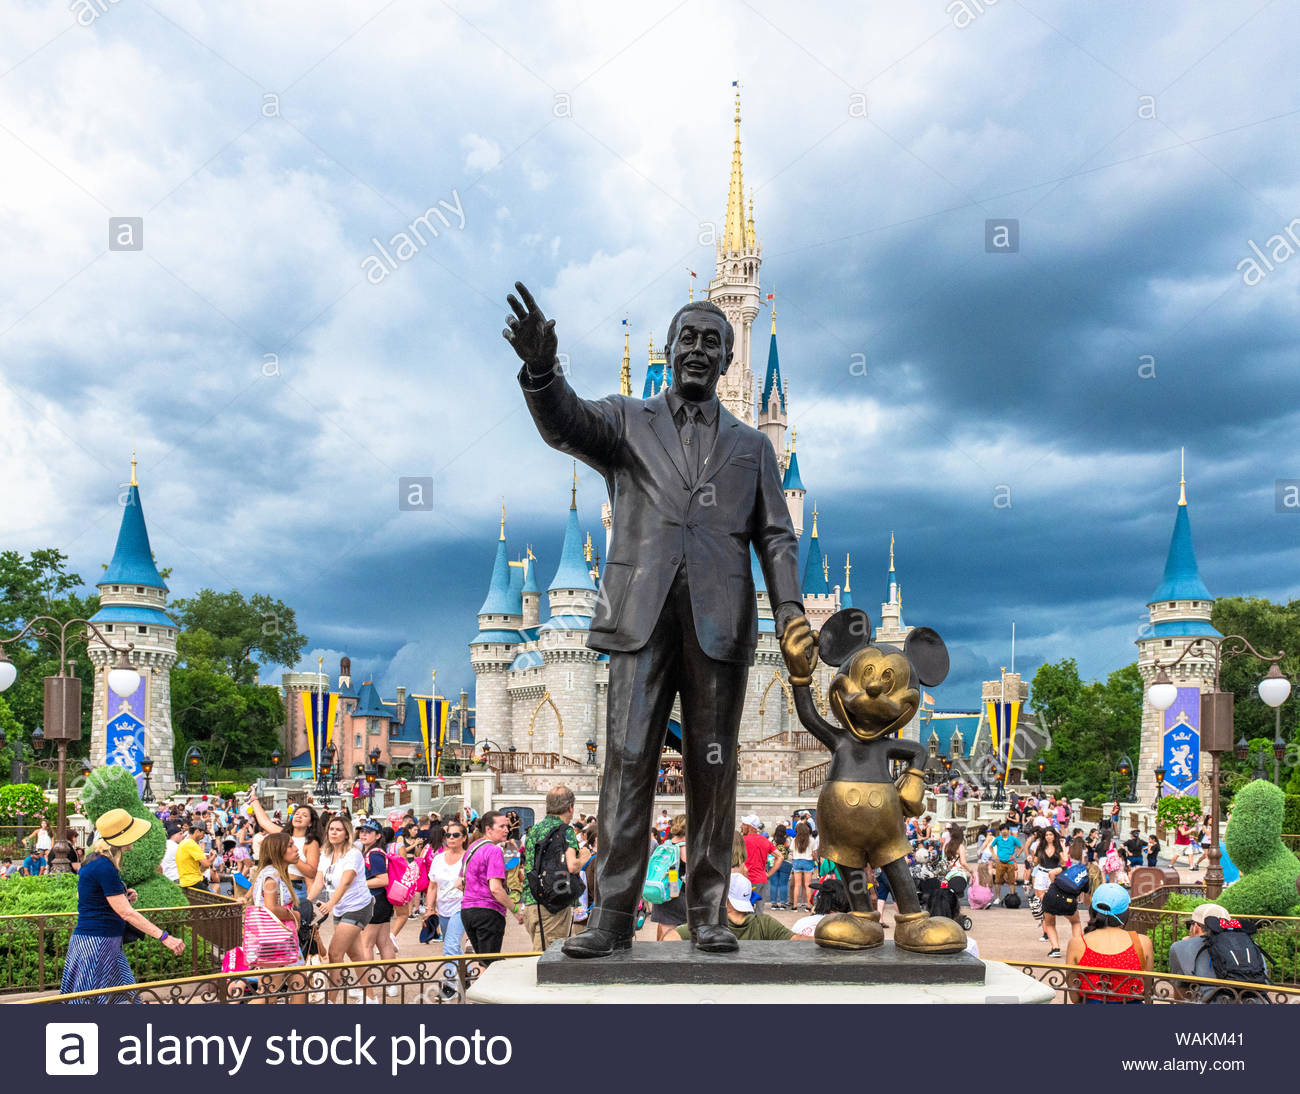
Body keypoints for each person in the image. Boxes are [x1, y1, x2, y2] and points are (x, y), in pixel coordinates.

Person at [508, 284, 816, 959]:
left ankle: (708, 910)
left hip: (719, 622)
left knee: (714, 765)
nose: (700, 350)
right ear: (670, 347)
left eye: (713, 341)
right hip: (640, 618)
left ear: (730, 358)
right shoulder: (626, 420)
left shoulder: (751, 447)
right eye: (689, 338)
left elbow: (777, 536)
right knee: (625, 760)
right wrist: (541, 372)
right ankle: (613, 913)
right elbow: (566, 424)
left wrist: (790, 609)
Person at [61, 809, 186, 998]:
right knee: (94, 1003)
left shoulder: (94, 861)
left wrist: (121, 896)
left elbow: (84, 896)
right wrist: (164, 937)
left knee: (126, 999)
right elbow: (127, 913)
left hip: (101, 941)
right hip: (98, 944)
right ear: (121, 838)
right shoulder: (104, 866)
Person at [308, 815, 373, 1002]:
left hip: (358, 907)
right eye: (331, 829)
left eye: (338, 830)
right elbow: (319, 881)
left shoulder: (353, 854)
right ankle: (371, 997)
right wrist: (306, 902)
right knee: (356, 954)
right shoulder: (326, 854)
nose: (333, 833)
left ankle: (331, 1000)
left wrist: (330, 904)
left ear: (346, 834)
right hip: (341, 908)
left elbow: (346, 882)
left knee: (335, 953)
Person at [1065, 883, 1153, 1003]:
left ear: (1092, 910)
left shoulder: (1077, 944)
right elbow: (1147, 989)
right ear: (1126, 912)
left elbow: (1074, 996)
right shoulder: (1143, 942)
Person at [243, 832, 303, 1000]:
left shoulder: (269, 873)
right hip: (277, 940)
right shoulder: (273, 875)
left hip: (277, 938)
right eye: (290, 845)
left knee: (299, 983)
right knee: (268, 994)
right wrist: (294, 915)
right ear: (278, 851)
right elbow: (270, 908)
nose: (296, 849)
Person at [521, 786, 582, 949]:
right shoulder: (566, 831)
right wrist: (585, 855)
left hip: (530, 902)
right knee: (548, 957)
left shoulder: (534, 830)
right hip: (552, 905)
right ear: (570, 807)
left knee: (539, 950)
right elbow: (572, 866)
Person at [460, 810, 523, 959]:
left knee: (484, 961)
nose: (507, 830)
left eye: (507, 826)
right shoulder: (494, 850)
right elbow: (495, 888)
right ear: (488, 829)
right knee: (489, 963)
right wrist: (514, 909)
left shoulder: (472, 848)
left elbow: (459, 883)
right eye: (502, 826)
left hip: (468, 911)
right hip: (488, 912)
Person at [674, 874, 804, 942]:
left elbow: (670, 938)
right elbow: (797, 940)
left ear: (725, 899)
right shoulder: (765, 924)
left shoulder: (709, 924)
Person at [425, 819, 468, 999]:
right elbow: (432, 885)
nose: (450, 838)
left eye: (455, 835)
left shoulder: (468, 857)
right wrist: (429, 908)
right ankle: (466, 976)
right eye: (448, 835)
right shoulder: (438, 858)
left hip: (462, 905)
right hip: (443, 907)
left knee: (450, 945)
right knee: (451, 946)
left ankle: (449, 985)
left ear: (464, 837)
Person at [357, 819, 398, 998]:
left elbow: (383, 879)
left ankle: (365, 986)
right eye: (362, 831)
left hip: (374, 901)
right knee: (384, 943)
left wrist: (358, 885)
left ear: (378, 835)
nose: (364, 834)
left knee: (366, 944)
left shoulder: (373, 854)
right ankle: (391, 983)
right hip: (382, 901)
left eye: (368, 832)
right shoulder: (377, 852)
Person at [1167, 902, 1230, 999]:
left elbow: (1180, 993)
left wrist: (1184, 945)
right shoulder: (1248, 946)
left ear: (1196, 927)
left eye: (1189, 925)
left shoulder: (1179, 947)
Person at [650, 814, 689, 939]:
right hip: (680, 897)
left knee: (667, 935)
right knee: (681, 938)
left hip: (662, 895)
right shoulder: (687, 848)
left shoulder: (664, 846)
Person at [740, 815, 781, 912]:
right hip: (762, 879)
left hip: (748, 879)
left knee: (744, 911)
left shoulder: (742, 840)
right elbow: (780, 857)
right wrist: (769, 874)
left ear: (750, 827)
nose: (741, 826)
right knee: (759, 911)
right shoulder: (764, 840)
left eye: (743, 824)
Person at [788, 819, 818, 912]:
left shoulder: (795, 840)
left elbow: (792, 853)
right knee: (807, 885)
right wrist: (815, 860)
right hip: (808, 861)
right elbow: (814, 854)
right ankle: (808, 906)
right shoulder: (812, 840)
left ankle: (795, 906)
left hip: (797, 861)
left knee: (797, 885)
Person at [176, 822, 214, 893]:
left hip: (184, 882)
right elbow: (206, 864)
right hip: (194, 882)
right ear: (197, 831)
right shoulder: (192, 844)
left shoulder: (182, 843)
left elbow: (201, 868)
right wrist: (213, 857)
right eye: (203, 833)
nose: (203, 836)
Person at [990, 823, 1022, 906]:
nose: (1004, 831)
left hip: (1010, 862)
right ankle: (998, 898)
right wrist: (994, 855)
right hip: (1000, 862)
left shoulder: (1013, 839)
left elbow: (1021, 847)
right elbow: (991, 847)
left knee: (1012, 880)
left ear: (1008, 830)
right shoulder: (997, 839)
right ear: (1000, 831)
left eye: (1006, 829)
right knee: (997, 881)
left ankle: (1012, 897)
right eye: (1002, 830)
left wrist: (1016, 856)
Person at [768, 824, 792, 909]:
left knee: (773, 884)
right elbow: (790, 851)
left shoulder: (771, 840)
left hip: (773, 862)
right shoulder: (788, 840)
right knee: (784, 884)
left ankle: (774, 903)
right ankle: (782, 903)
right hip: (785, 862)